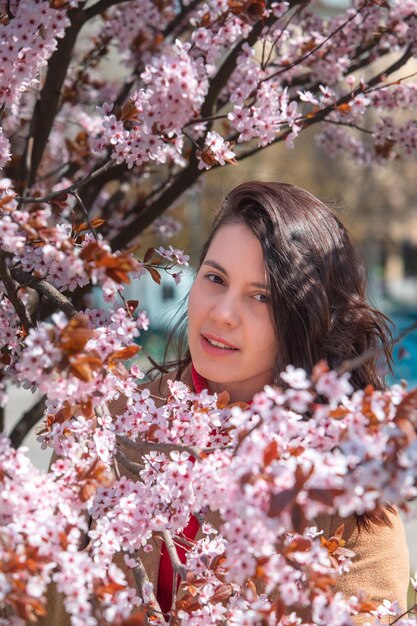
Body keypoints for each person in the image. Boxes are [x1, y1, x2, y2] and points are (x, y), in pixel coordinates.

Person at [40, 181, 411, 625]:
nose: (222, 314)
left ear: (306, 318)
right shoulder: (105, 422)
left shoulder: (348, 485)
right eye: (215, 278)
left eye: (262, 297)